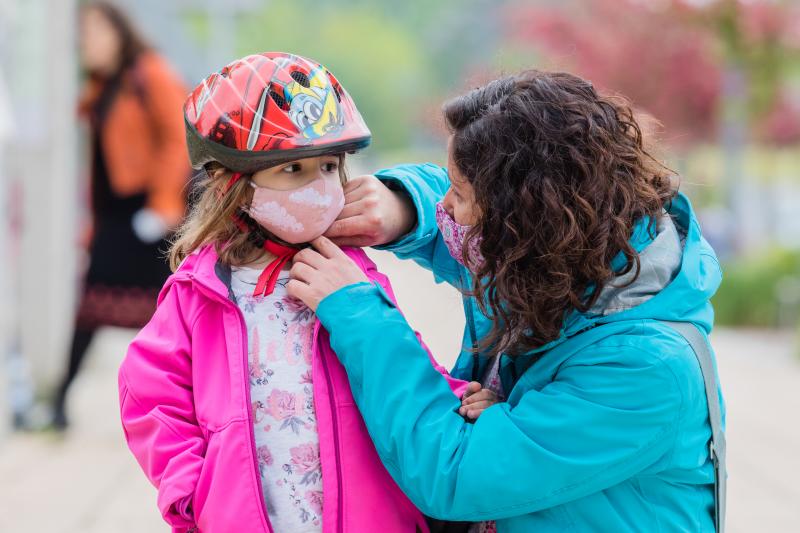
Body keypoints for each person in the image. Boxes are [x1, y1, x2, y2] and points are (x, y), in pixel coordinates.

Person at [288, 70, 727, 532]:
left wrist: (362, 316)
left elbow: (454, 475)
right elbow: (445, 206)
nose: (447, 211)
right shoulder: (558, 265)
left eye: (460, 195)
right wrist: (402, 205)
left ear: (523, 219)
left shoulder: (647, 369)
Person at [118, 52, 495, 533]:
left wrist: (459, 398)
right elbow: (150, 395)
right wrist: (190, 492)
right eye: (292, 170)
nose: (319, 186)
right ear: (230, 182)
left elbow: (397, 359)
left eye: (328, 166)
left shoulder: (346, 271)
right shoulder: (202, 292)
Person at [51, 1, 189, 429]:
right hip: (114, 219)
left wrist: (163, 207)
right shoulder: (102, 85)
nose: (87, 41)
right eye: (83, 34)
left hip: (147, 215)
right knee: (93, 309)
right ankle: (57, 403)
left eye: (95, 31)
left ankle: (188, 406)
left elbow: (178, 141)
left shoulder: (151, 74)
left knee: (170, 317)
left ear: (118, 31)